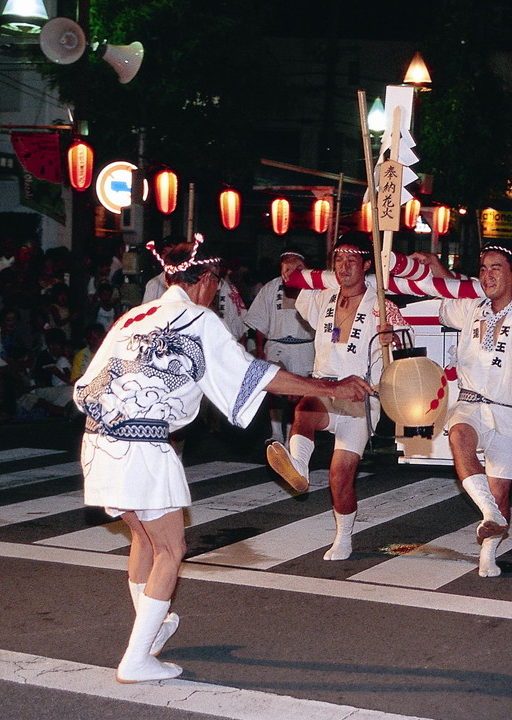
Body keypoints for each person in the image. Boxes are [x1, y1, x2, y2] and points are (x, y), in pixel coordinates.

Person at [73, 233, 374, 684]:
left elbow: (84, 388)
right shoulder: (197, 319)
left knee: (146, 541)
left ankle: (150, 633)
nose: (217, 292)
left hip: (97, 441)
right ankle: (136, 659)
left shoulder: (133, 317)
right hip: (143, 444)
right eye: (217, 283)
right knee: (172, 549)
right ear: (206, 279)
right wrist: (331, 389)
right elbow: (259, 376)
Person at [265, 231, 407, 562]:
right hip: (325, 387)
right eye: (338, 259)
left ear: (367, 265)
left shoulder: (382, 306)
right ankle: (298, 466)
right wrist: (294, 266)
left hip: (360, 397)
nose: (343, 266)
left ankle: (344, 537)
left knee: (339, 478)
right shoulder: (323, 296)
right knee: (306, 406)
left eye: (352, 260)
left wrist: (392, 339)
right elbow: (293, 280)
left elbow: (405, 348)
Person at [417, 244, 512, 577]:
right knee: (459, 434)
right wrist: (437, 268)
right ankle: (490, 514)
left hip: (510, 413)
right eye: (482, 269)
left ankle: (488, 554)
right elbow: (444, 297)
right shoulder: (472, 308)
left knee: (501, 490)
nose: (487, 275)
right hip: (471, 403)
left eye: (496, 268)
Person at [243, 250, 316, 444]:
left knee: (297, 392)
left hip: (304, 345)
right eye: (288, 267)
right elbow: (259, 321)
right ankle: (276, 432)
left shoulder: (314, 288)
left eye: (297, 267)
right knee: (275, 387)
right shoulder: (271, 287)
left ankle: (293, 430)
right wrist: (260, 351)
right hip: (277, 343)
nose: (292, 271)